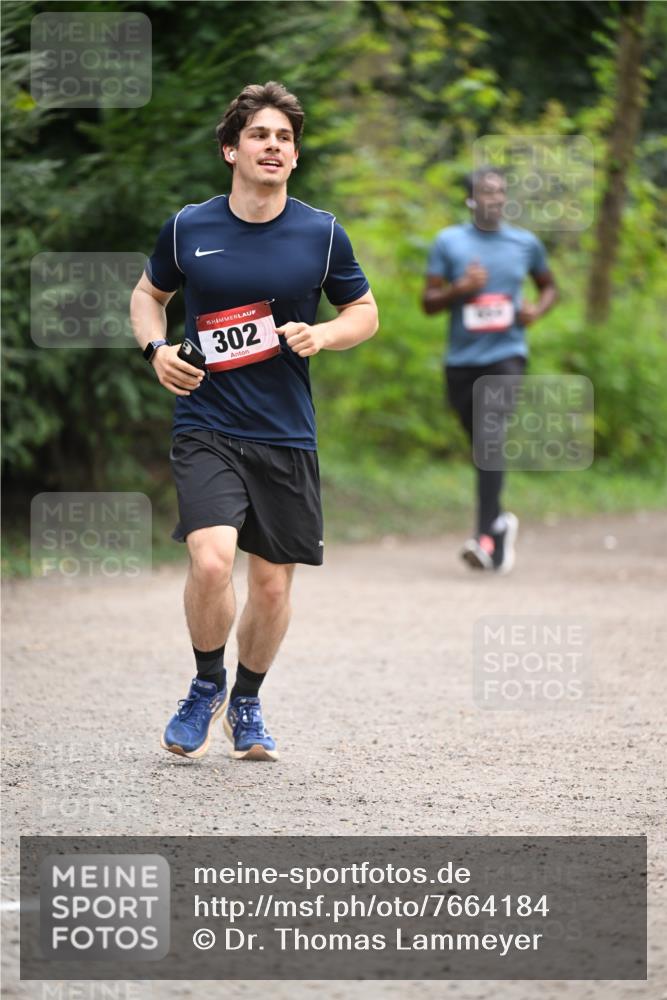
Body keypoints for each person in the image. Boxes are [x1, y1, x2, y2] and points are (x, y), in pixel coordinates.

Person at [130, 81, 378, 761]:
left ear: (295, 157)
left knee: (270, 585)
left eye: (285, 138)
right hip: (206, 423)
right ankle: (206, 685)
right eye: (261, 135)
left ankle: (247, 700)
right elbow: (148, 295)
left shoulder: (321, 233)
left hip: (285, 433)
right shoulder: (189, 227)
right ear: (230, 149)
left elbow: (365, 313)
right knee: (211, 562)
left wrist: (322, 336)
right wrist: (156, 350)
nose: (274, 146)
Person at [421, 166, 557, 573]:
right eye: (485, 192)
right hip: (461, 362)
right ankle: (500, 524)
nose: (494, 199)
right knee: (482, 443)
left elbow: (549, 285)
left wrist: (536, 309)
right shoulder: (449, 242)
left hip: (507, 355)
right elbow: (428, 303)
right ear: (470, 200)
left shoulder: (525, 243)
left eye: (500, 192)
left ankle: (483, 535)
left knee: (490, 436)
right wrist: (459, 290)